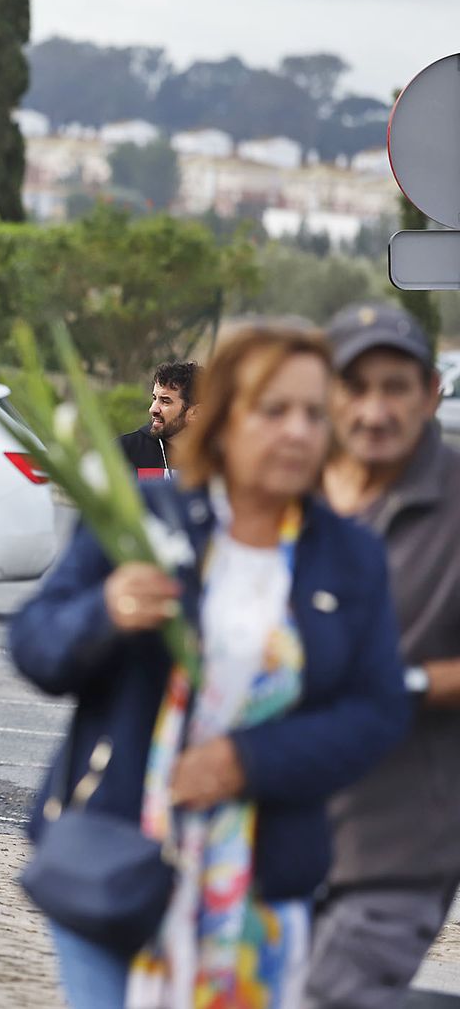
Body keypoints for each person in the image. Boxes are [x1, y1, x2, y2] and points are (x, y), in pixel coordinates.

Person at [10, 324, 409, 1007]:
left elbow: (376, 712)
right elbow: (35, 645)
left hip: (263, 882)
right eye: (273, 409)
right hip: (117, 862)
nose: (296, 431)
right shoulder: (146, 517)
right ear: (225, 417)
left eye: (315, 413)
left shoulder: (348, 556)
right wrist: (105, 609)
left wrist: (249, 759)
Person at [305, 305, 460, 1009]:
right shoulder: (284, 491)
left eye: (395, 387)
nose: (374, 409)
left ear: (431, 392)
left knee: (331, 995)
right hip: (273, 826)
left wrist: (407, 681)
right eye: (354, 385)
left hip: (401, 837)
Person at [117, 360, 199, 479]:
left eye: (165, 401)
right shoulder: (123, 451)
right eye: (154, 398)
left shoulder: (215, 459)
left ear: (195, 413)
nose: (153, 409)